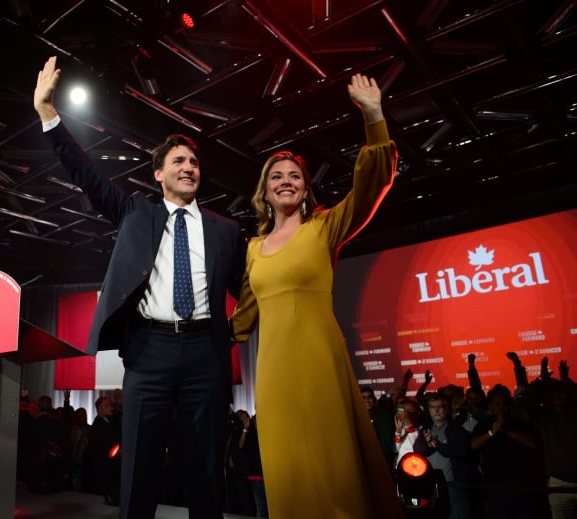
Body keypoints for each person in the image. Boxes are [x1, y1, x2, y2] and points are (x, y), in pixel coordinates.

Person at [33, 56, 245, 519]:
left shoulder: (226, 230)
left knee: (206, 469)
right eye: (178, 161)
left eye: (193, 161)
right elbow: (85, 176)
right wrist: (50, 115)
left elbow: (251, 288)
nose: (188, 167)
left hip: (205, 355)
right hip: (149, 352)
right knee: (140, 465)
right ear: (158, 174)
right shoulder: (135, 211)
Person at [230, 73, 404, 518]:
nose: (285, 181)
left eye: (294, 176)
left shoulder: (324, 227)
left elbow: (370, 187)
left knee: (333, 471)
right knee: (288, 473)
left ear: (306, 188)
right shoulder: (251, 250)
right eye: (276, 177)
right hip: (273, 377)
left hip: (319, 364)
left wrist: (373, 115)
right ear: (264, 191)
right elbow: (242, 322)